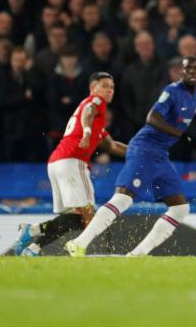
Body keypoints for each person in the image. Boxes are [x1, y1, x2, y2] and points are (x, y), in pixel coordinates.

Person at [65, 57, 196, 257]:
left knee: (180, 209)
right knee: (123, 199)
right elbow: (152, 118)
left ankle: (138, 255)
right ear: (181, 72)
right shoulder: (171, 92)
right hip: (144, 149)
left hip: (160, 156)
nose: (193, 72)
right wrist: (182, 135)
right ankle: (78, 243)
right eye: (188, 68)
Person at [10, 72, 128, 256]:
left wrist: (139, 154)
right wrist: (87, 132)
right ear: (93, 88)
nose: (109, 90)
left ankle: (33, 246)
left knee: (76, 217)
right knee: (88, 214)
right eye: (104, 85)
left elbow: (112, 146)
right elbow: (89, 112)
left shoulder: (94, 118)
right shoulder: (95, 102)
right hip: (73, 161)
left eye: (112, 87)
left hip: (58, 162)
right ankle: (89, 251)